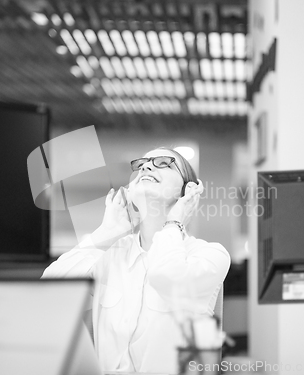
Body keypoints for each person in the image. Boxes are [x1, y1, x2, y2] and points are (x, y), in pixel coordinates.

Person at [42, 147, 231, 374]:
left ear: (187, 190)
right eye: (142, 164)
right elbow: (48, 294)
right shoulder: (111, 254)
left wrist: (175, 222)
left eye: (164, 162)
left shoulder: (209, 255)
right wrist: (106, 232)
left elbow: (166, 275)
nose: (146, 166)